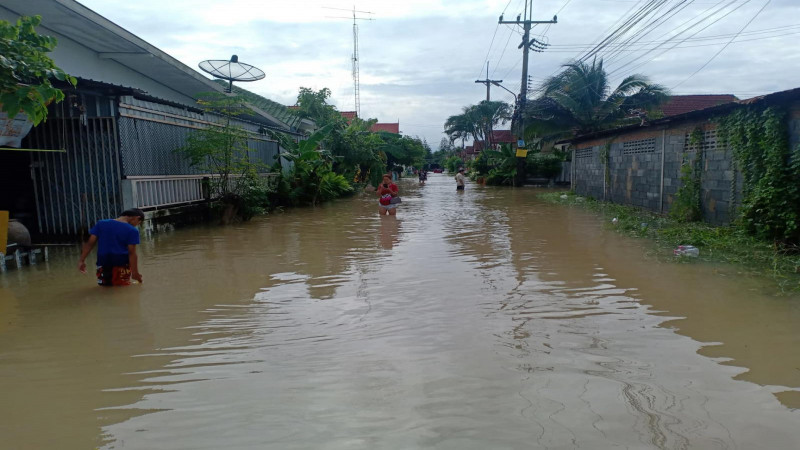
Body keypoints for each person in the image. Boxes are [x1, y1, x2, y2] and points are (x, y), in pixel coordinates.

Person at [78, 208, 145, 286]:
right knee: (120, 291)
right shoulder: (132, 230)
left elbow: (89, 243)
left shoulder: (101, 224)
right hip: (121, 265)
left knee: (104, 288)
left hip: (102, 264)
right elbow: (132, 253)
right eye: (138, 223)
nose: (136, 225)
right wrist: (135, 273)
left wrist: (81, 260)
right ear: (137, 218)